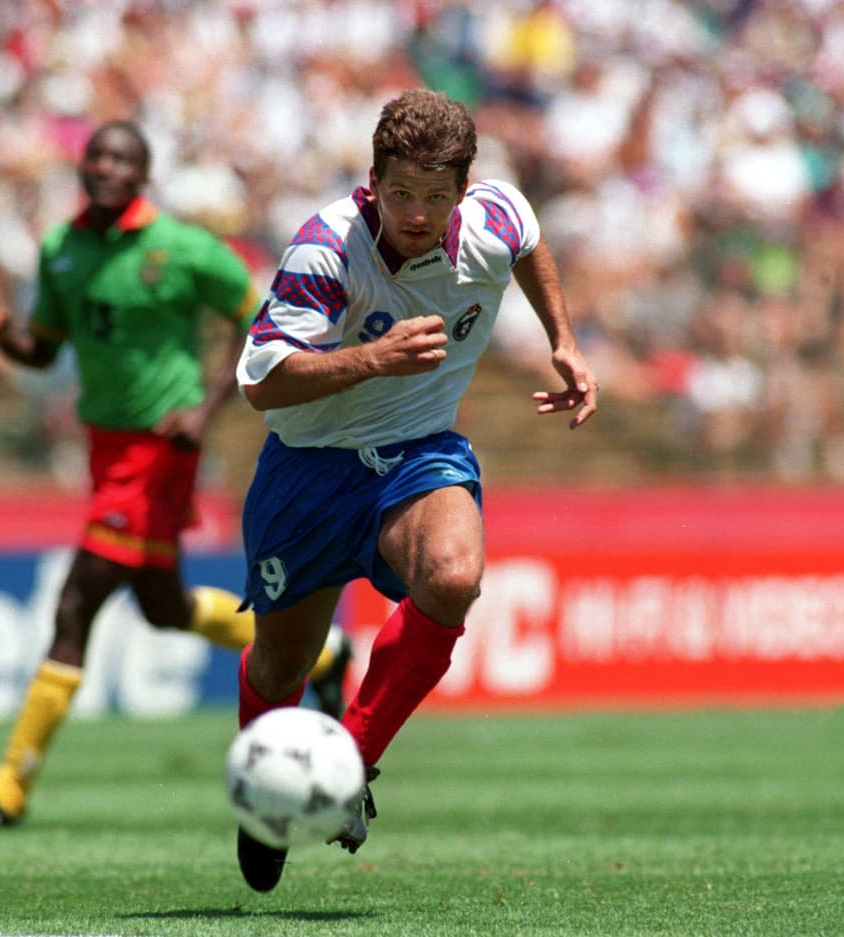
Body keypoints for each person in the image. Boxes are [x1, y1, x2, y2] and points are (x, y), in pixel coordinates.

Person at [231, 89, 598, 891]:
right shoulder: (326, 247)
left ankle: (349, 762)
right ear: (373, 181)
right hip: (309, 468)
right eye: (400, 193)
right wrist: (374, 358)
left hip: (418, 452)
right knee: (280, 664)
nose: (418, 213)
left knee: (454, 575)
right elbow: (261, 383)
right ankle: (264, 799)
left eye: (436, 196)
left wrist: (563, 341)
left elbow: (528, 237)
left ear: (464, 190)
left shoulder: (493, 220)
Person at [0, 120, 352, 829]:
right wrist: (2, 338)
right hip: (105, 450)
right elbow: (45, 350)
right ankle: (323, 655)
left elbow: (260, 321)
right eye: (96, 157)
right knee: (164, 607)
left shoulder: (181, 248)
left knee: (77, 603)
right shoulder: (62, 250)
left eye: (120, 159)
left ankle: (7, 788)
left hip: (160, 451)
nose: (105, 167)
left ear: (142, 175)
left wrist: (206, 409)